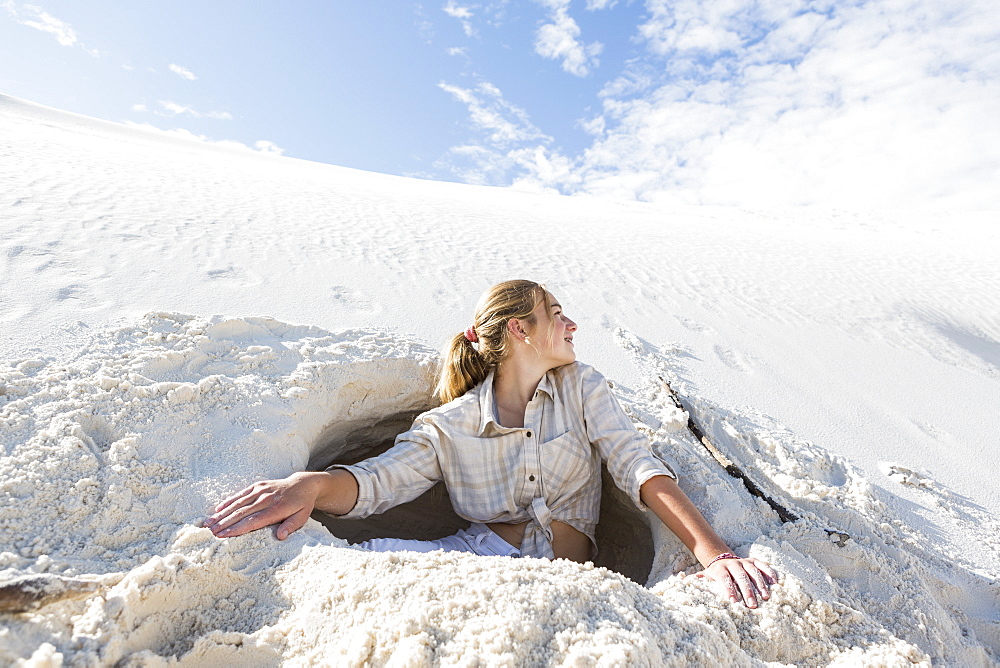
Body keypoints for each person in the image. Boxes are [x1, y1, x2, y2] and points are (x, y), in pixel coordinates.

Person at [203, 280, 777, 608]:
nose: (572, 325)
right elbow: (379, 481)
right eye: (557, 314)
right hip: (470, 565)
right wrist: (308, 485)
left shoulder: (583, 388)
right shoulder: (451, 423)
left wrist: (713, 551)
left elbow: (636, 466)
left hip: (569, 582)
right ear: (518, 330)